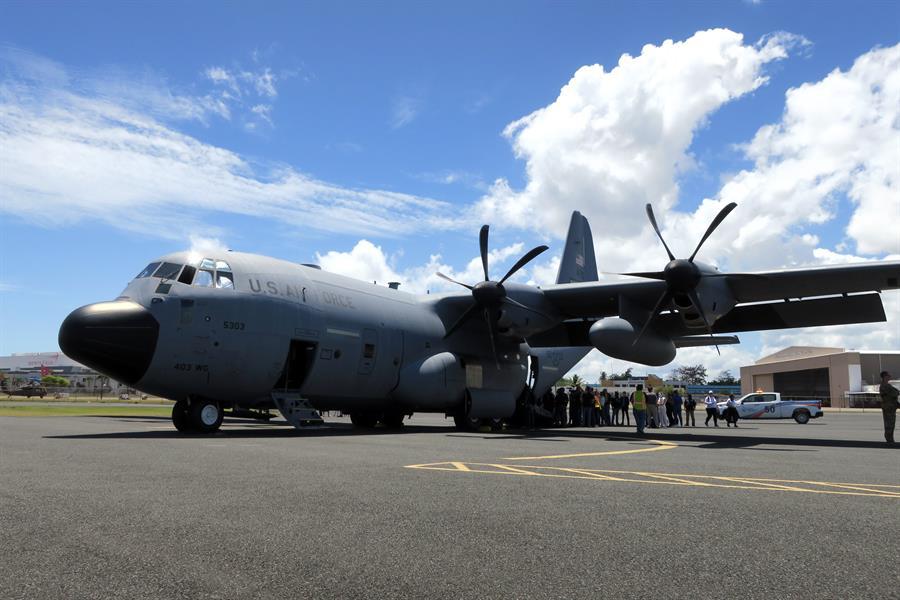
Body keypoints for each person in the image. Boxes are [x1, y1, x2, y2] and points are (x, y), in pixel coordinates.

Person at [879, 370, 899, 445]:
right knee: (889, 424)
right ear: (884, 377)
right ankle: (889, 439)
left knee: (891, 423)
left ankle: (890, 438)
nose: (889, 377)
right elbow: (895, 393)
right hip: (888, 407)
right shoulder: (885, 386)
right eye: (888, 375)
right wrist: (896, 392)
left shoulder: (887, 385)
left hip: (890, 407)